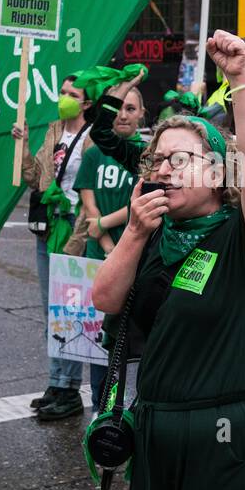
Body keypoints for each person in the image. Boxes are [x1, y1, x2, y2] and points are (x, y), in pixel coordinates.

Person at [91, 29, 245, 490]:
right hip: (155, 431)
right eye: (157, 159)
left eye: (181, 159)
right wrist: (135, 234)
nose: (165, 168)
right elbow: (104, 300)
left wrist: (240, 82)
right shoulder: (153, 231)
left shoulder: (240, 235)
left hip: (222, 434)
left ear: (219, 174)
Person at [16, 75, 93, 422]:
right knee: (51, 310)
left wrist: (82, 237)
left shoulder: (93, 137)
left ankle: (69, 389)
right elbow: (36, 178)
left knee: (69, 311)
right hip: (48, 228)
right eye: (62, 92)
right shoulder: (52, 130)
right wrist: (22, 147)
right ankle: (55, 382)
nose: (64, 98)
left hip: (74, 230)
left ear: (87, 102)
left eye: (72, 94)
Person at [75, 86, 144, 409]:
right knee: (98, 341)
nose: (124, 115)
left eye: (131, 109)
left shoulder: (146, 155)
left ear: (142, 114)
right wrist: (102, 239)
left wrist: (104, 225)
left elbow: (139, 206)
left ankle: (128, 412)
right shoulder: (93, 154)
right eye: (120, 108)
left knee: (128, 341)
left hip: (132, 259)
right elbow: (88, 202)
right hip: (98, 255)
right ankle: (100, 411)